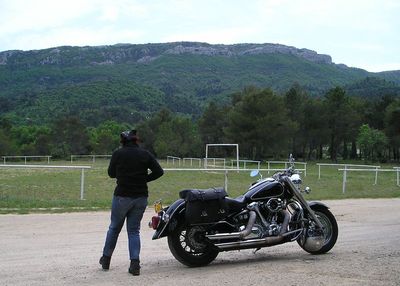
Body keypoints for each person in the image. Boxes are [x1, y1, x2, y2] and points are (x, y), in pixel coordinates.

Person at [99, 129, 164, 276]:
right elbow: (159, 172)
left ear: (123, 141)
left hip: (122, 196)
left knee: (114, 228)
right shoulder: (145, 154)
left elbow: (110, 173)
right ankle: (135, 264)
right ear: (136, 140)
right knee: (134, 231)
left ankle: (106, 259)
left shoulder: (118, 153)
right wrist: (144, 179)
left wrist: (122, 174)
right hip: (140, 197)